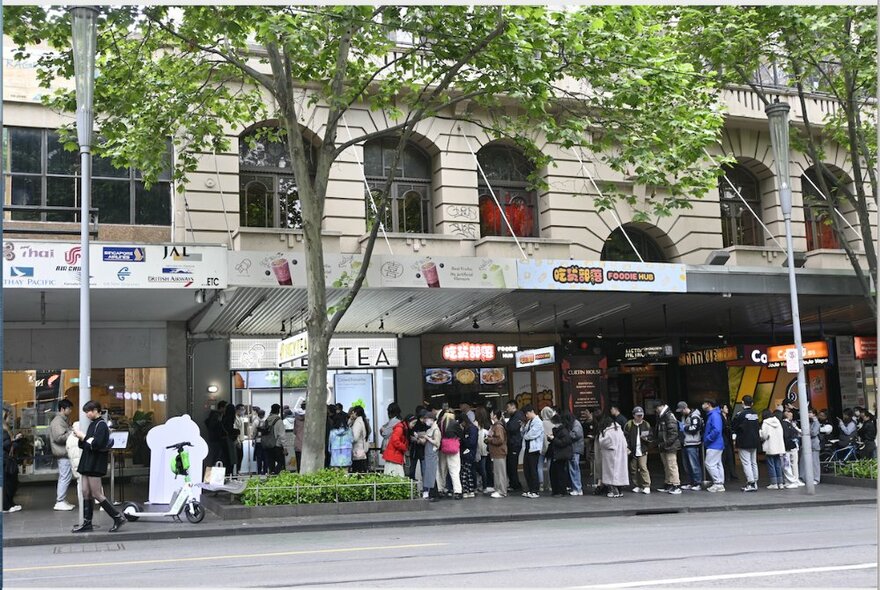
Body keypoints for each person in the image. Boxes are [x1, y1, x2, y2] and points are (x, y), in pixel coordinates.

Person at [72, 401, 127, 533]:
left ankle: (117, 517)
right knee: (85, 491)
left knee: (96, 493)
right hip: (87, 462)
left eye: (88, 411)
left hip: (95, 463)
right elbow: (86, 444)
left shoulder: (101, 425)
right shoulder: (93, 425)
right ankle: (87, 523)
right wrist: (82, 439)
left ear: (96, 410)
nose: (86, 414)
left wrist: (83, 437)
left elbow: (96, 444)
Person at [49, 399, 76, 511]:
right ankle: (60, 501)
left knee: (66, 476)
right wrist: (71, 432)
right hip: (62, 453)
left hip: (64, 453)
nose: (70, 411)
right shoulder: (58, 421)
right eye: (69, 409)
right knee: (64, 477)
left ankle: (62, 500)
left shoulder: (62, 420)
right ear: (62, 409)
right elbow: (59, 438)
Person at [731, 395, 760, 492]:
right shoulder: (755, 414)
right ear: (752, 403)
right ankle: (755, 482)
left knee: (746, 463)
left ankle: (750, 483)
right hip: (755, 441)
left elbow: (734, 426)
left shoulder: (740, 414)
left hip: (743, 442)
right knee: (753, 462)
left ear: (742, 402)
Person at [653, 401, 682, 494]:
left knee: (672, 465)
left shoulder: (669, 415)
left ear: (660, 406)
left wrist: (666, 443)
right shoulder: (663, 416)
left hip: (669, 445)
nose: (656, 410)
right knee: (667, 466)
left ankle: (676, 484)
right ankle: (669, 483)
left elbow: (673, 433)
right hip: (664, 445)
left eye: (657, 408)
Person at [598, 417, 629, 498]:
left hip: (611, 455)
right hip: (621, 454)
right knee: (620, 472)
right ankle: (620, 490)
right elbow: (625, 443)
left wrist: (601, 436)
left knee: (611, 473)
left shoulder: (608, 431)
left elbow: (604, 442)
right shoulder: (619, 430)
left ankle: (613, 491)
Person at [624, 406, 652, 494]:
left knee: (643, 467)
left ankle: (646, 485)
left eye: (641, 415)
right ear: (634, 415)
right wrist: (627, 447)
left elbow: (651, 436)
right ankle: (637, 485)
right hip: (632, 449)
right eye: (638, 415)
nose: (640, 417)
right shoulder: (629, 424)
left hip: (642, 449)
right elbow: (626, 437)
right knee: (633, 468)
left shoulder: (646, 424)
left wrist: (646, 438)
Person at [677, 401, 704, 491]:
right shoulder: (684, 416)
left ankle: (697, 483)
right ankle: (690, 482)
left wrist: (684, 427)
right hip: (685, 442)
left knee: (694, 464)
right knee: (687, 465)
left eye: (681, 410)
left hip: (693, 443)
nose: (681, 412)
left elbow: (695, 428)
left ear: (685, 408)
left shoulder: (694, 416)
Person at [437, 410, 463, 499]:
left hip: (442, 449)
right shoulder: (454, 423)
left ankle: (440, 489)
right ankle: (457, 491)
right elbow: (461, 434)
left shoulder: (440, 423)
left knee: (442, 470)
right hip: (453, 448)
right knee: (454, 470)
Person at [702, 399, 725, 492]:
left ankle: (718, 483)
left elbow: (716, 430)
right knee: (718, 464)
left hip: (713, 444)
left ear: (708, 404)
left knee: (709, 463)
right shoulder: (715, 414)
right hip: (717, 444)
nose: (702, 405)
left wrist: (707, 439)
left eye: (704, 403)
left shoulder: (714, 415)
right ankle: (720, 483)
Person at [3, 409, 24, 513]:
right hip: (5, 460)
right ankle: (6, 506)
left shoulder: (6, 429)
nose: (11, 419)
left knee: (11, 483)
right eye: (9, 417)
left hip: (7, 460)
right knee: (7, 484)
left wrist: (14, 440)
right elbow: (6, 445)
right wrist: (15, 442)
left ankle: (9, 503)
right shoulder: (3, 430)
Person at [547, 414, 573, 497]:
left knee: (560, 473)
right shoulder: (557, 430)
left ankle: (561, 490)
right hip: (556, 454)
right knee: (553, 472)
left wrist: (553, 439)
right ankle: (556, 490)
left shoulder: (564, 431)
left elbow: (563, 443)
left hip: (561, 455)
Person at [521, 404, 544, 498]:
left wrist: (525, 435)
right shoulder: (530, 421)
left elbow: (531, 435)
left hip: (534, 449)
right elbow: (523, 432)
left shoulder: (538, 422)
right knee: (527, 470)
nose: (526, 416)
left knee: (533, 470)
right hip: (527, 448)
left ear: (531, 411)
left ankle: (535, 490)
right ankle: (530, 489)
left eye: (527, 413)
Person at [760, 409, 786, 489]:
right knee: (778, 464)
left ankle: (774, 483)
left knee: (771, 465)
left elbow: (764, 435)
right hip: (778, 446)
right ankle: (781, 483)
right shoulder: (777, 421)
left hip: (770, 446)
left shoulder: (765, 423)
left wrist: (760, 432)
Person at [419, 410, 441, 500]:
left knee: (432, 474)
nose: (426, 421)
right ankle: (432, 494)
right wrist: (419, 437)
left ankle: (434, 494)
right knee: (429, 474)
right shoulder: (429, 429)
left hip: (432, 454)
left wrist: (427, 437)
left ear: (432, 419)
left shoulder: (436, 430)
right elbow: (424, 442)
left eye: (427, 419)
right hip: (428, 454)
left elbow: (437, 443)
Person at [486, 409, 508, 498]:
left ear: (495, 415)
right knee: (497, 472)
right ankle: (498, 489)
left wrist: (489, 440)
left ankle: (502, 491)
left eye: (491, 413)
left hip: (499, 452)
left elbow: (500, 440)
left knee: (500, 472)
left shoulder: (498, 426)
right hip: (495, 452)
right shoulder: (494, 426)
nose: (490, 414)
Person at [505, 400, 524, 492]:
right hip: (511, 443)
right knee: (510, 465)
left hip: (514, 444)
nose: (507, 409)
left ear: (513, 406)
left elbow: (512, 428)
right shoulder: (513, 416)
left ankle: (515, 485)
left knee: (512, 465)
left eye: (508, 407)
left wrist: (505, 425)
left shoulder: (518, 416)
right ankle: (513, 483)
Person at [563, 411, 584, 496]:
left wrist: (566, 434)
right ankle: (575, 487)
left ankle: (577, 488)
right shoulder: (575, 423)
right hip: (573, 449)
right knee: (573, 468)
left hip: (575, 449)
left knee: (574, 469)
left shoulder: (576, 424)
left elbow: (575, 435)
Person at [781, 408, 803, 488]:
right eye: (789, 412)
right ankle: (794, 480)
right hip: (791, 446)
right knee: (792, 464)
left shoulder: (789, 424)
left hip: (790, 446)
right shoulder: (787, 424)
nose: (791, 414)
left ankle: (793, 480)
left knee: (789, 465)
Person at [262, 404, 286, 475]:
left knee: (270, 463)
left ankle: (272, 475)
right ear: (278, 410)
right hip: (277, 445)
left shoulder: (267, 420)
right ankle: (275, 474)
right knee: (281, 462)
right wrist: (285, 447)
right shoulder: (279, 421)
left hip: (267, 445)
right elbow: (282, 435)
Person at [459, 412, 479, 497]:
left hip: (469, 453)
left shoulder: (471, 429)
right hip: (468, 453)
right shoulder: (471, 428)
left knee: (464, 473)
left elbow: (471, 442)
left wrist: (463, 439)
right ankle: (470, 490)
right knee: (468, 472)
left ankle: (466, 490)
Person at [474, 406, 493, 492]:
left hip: (480, 449)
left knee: (482, 468)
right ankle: (490, 484)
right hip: (488, 448)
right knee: (488, 467)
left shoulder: (476, 424)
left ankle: (485, 485)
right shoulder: (489, 423)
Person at [801, 408, 821, 485]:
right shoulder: (807, 422)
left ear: (814, 414)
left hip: (814, 444)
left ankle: (816, 478)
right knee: (803, 461)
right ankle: (803, 477)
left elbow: (814, 433)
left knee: (815, 462)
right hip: (806, 444)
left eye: (810, 413)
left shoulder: (816, 423)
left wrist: (806, 432)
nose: (809, 414)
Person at [539, 406, 556, 491]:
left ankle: (541, 485)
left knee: (539, 466)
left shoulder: (540, 423)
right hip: (551, 447)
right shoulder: (554, 424)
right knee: (550, 466)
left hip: (541, 447)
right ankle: (550, 484)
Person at [205, 400, 227, 466]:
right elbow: (214, 427)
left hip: (215, 439)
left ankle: (213, 472)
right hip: (216, 440)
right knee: (217, 457)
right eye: (225, 407)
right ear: (221, 408)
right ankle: (212, 473)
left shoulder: (218, 415)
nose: (226, 409)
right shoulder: (216, 416)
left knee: (216, 457)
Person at [350, 406, 370, 474]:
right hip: (362, 451)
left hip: (357, 451)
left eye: (353, 413)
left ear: (356, 413)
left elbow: (355, 437)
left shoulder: (358, 422)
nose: (351, 415)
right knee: (361, 472)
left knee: (357, 472)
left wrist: (349, 440)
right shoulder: (363, 421)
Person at [720, 403, 737, 482]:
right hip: (723, 440)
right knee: (724, 458)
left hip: (728, 440)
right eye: (725, 407)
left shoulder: (728, 417)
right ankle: (725, 475)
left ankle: (732, 474)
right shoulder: (720, 418)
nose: (727, 409)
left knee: (730, 457)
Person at [220, 402, 239, 472]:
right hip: (229, 440)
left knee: (227, 459)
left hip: (224, 440)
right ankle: (229, 474)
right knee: (231, 458)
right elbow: (230, 430)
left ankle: (228, 473)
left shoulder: (224, 417)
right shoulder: (230, 419)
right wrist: (237, 431)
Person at [252, 409, 268, 475]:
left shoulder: (255, 421)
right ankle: (265, 471)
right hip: (265, 441)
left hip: (258, 441)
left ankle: (259, 471)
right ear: (264, 415)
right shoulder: (266, 421)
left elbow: (254, 432)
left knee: (259, 457)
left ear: (258, 414)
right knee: (265, 457)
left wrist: (253, 439)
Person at [293, 398, 306, 472]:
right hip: (308, 445)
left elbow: (294, 431)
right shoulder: (310, 418)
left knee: (299, 463)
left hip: (298, 443)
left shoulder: (296, 418)